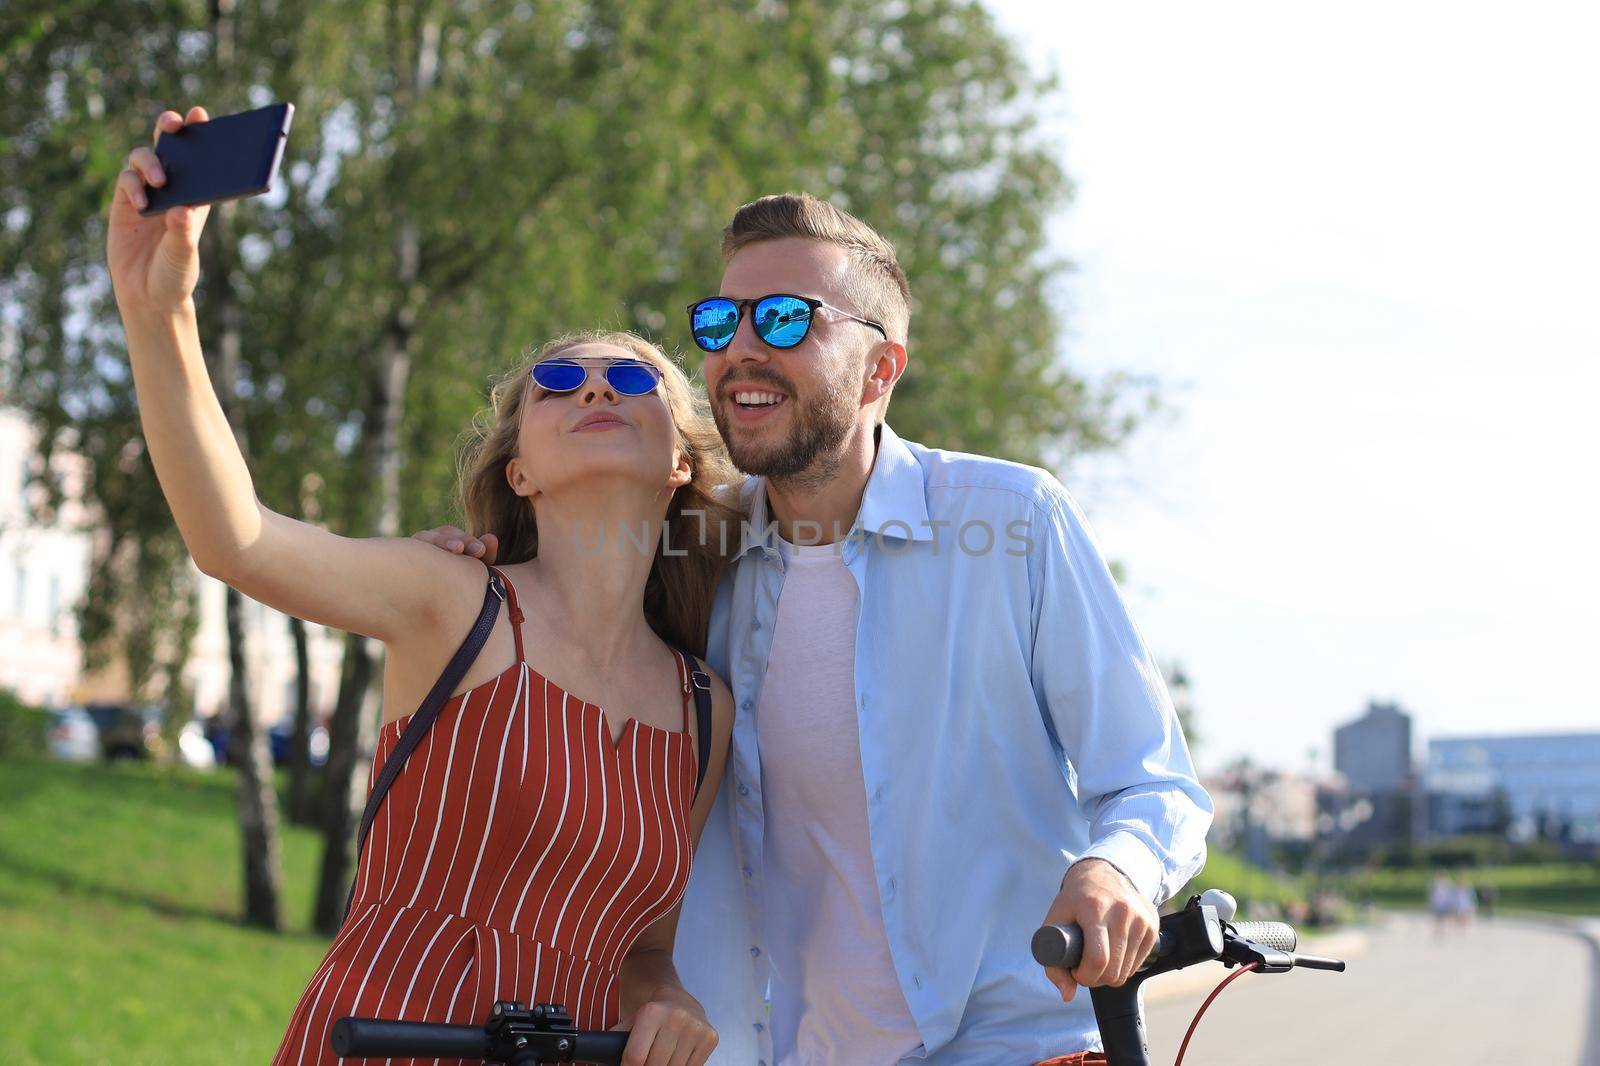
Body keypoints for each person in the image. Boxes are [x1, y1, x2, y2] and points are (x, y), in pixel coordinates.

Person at [418, 193, 1212, 1064]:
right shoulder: (689, 559)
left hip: (1020, 1044)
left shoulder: (1014, 522)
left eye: (789, 320)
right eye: (722, 321)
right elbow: (562, 605)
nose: (743, 349)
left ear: (880, 371)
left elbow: (1151, 781)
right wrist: (469, 564)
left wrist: (1116, 869)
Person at [108, 107, 740, 1066]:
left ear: (682, 466)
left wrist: (673, 1000)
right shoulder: (454, 601)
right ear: (519, 470)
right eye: (559, 380)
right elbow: (234, 538)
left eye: (632, 378)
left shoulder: (705, 710)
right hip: (378, 1043)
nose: (595, 388)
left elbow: (644, 951)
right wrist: (162, 315)